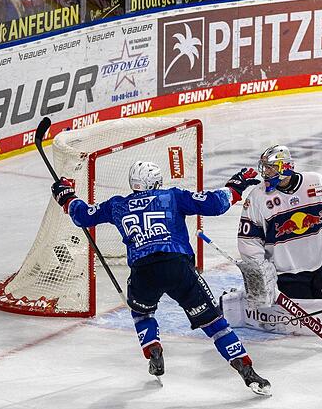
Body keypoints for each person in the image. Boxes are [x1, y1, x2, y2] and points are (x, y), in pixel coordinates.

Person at [51, 161, 271, 396]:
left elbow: (82, 216)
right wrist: (236, 185)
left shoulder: (118, 205)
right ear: (156, 182)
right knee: (214, 324)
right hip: (178, 267)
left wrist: (67, 196)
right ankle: (247, 372)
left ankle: (153, 349)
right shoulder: (172, 196)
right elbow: (215, 204)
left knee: (141, 312)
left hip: (143, 271)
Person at [237, 144, 322, 328]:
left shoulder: (318, 183)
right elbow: (249, 240)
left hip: (320, 266)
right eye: (265, 167)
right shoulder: (258, 197)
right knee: (298, 327)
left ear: (285, 167)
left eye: (270, 167)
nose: (265, 173)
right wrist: (259, 272)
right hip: (286, 275)